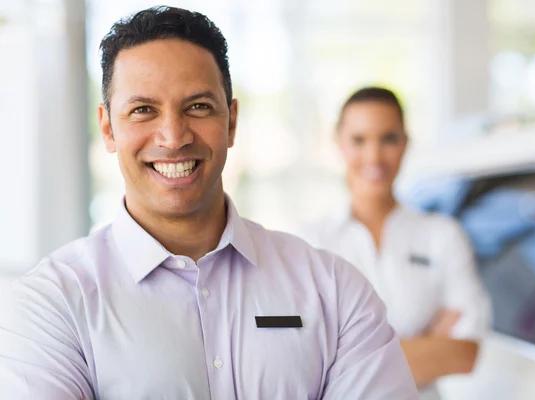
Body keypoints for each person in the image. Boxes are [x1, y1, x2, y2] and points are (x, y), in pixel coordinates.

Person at [0, 8, 419, 400]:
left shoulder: (333, 290)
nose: (174, 135)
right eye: (143, 110)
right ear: (108, 129)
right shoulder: (52, 305)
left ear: (231, 121)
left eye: (198, 107)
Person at [300, 87, 491, 400]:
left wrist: (349, 357)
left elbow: (464, 353)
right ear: (339, 144)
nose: (374, 156)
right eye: (359, 140)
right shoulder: (311, 242)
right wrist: (426, 343)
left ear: (405, 143)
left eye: (388, 138)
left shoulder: (442, 236)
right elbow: (304, 363)